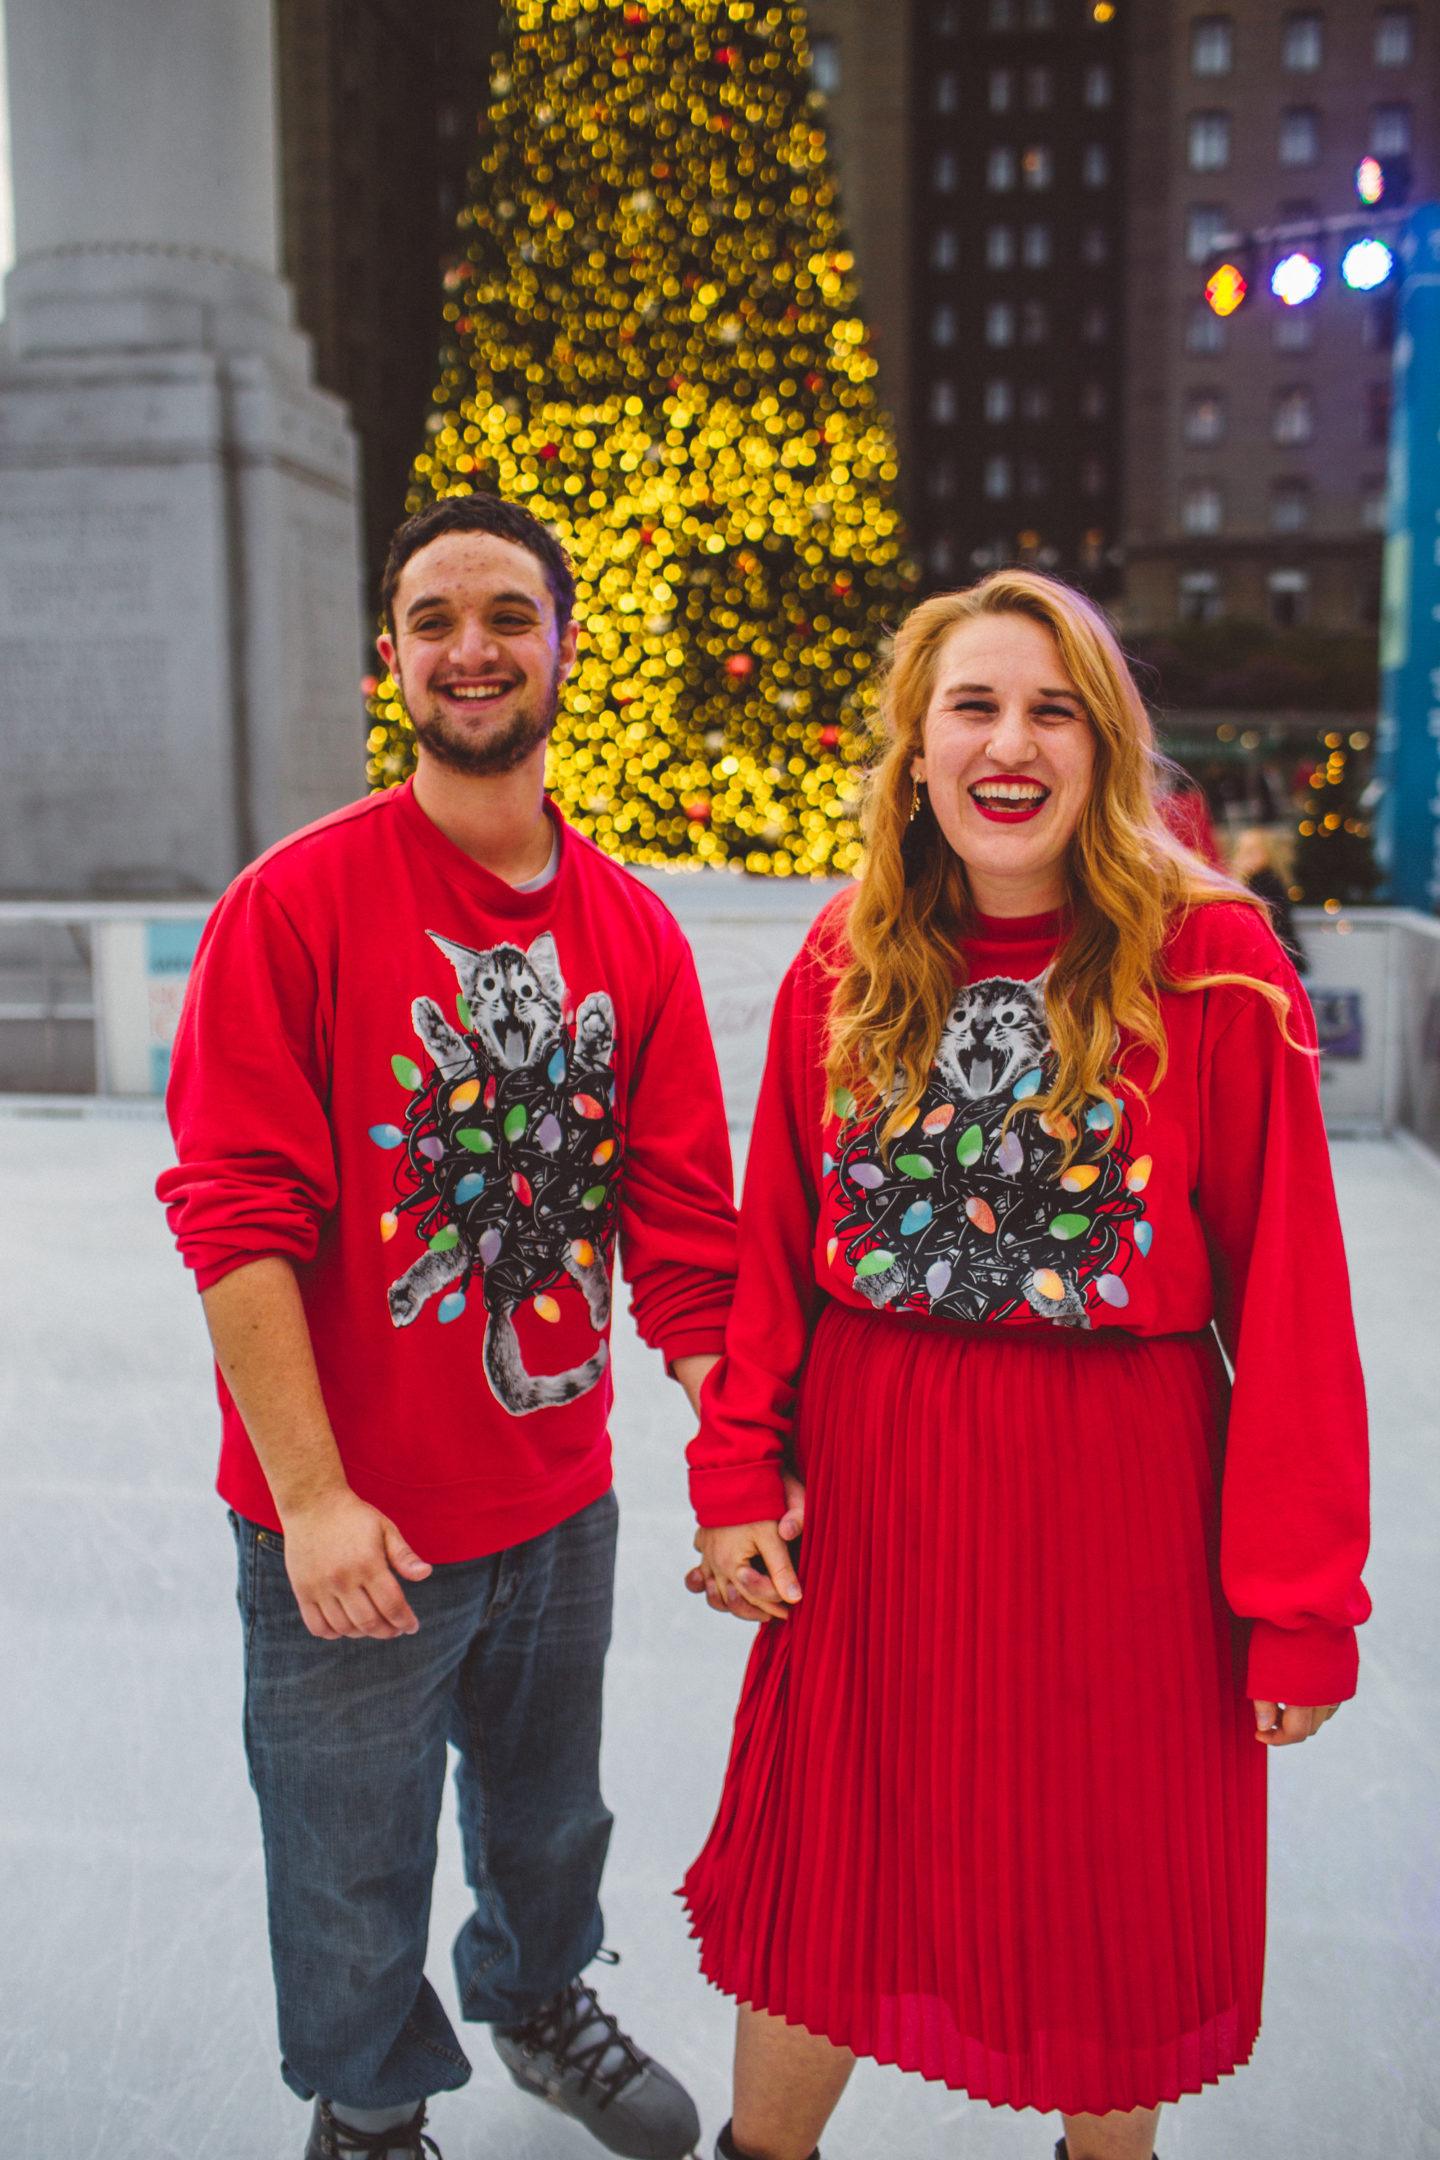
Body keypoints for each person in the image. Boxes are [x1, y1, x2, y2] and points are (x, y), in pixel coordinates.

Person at [681, 571, 1370, 2160]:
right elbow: (773, 1246)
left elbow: (1294, 1311)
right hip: (876, 1496)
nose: (1011, 743)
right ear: (916, 751)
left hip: (1121, 1507)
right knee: (828, 1867)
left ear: (1105, 745)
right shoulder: (844, 958)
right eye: (974, 707)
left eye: (1052, 708)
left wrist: (1297, 1604)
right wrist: (735, 1477)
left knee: (1103, 1880)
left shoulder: (1213, 959)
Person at [158, 495, 738, 2160]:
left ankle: (539, 1996)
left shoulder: (630, 931)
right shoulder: (295, 905)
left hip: (559, 1500)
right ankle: (370, 2102)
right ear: (391, 659)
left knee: (552, 1818)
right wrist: (317, 1498)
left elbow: (687, 1236)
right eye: (432, 619)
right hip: (356, 1518)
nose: (469, 646)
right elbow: (236, 1224)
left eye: (504, 613)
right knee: (347, 1853)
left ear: (563, 645)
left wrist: (739, 1452)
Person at [1230, 826, 1308, 974]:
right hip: (1275, 957)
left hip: (1271, 958)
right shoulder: (1257, 883)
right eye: (1243, 850)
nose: (1246, 856)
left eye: (1253, 850)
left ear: (1268, 853)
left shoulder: (1265, 883)